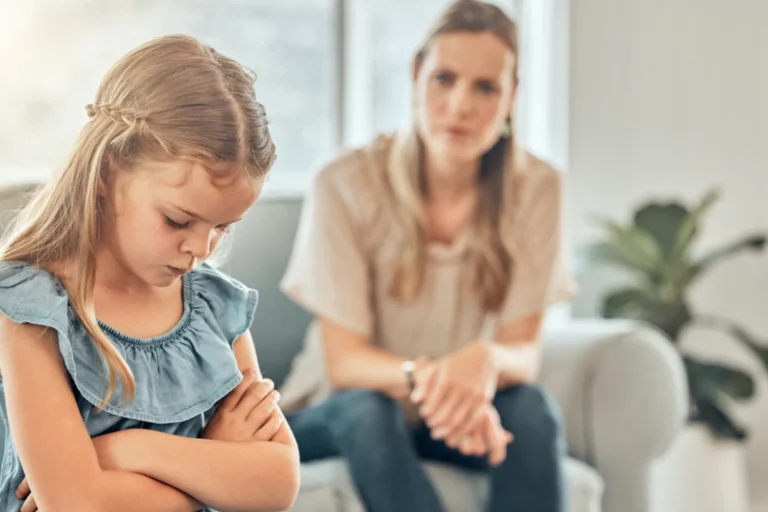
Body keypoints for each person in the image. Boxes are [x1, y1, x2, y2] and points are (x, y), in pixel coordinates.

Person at [277, 1, 576, 511]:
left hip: (450, 415)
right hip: (337, 410)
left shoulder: (539, 189)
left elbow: (522, 352)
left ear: (512, 97)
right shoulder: (344, 183)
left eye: (486, 87)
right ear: (416, 76)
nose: (460, 105)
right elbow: (346, 363)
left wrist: (484, 359)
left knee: (530, 411)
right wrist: (436, 378)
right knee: (370, 412)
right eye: (444, 78)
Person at [0, 35, 300, 512]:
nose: (200, 250)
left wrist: (127, 451)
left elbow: (277, 484)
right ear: (106, 172)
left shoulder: (211, 308)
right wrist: (215, 462)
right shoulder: (33, 309)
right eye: (178, 221)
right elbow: (81, 505)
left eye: (222, 227)